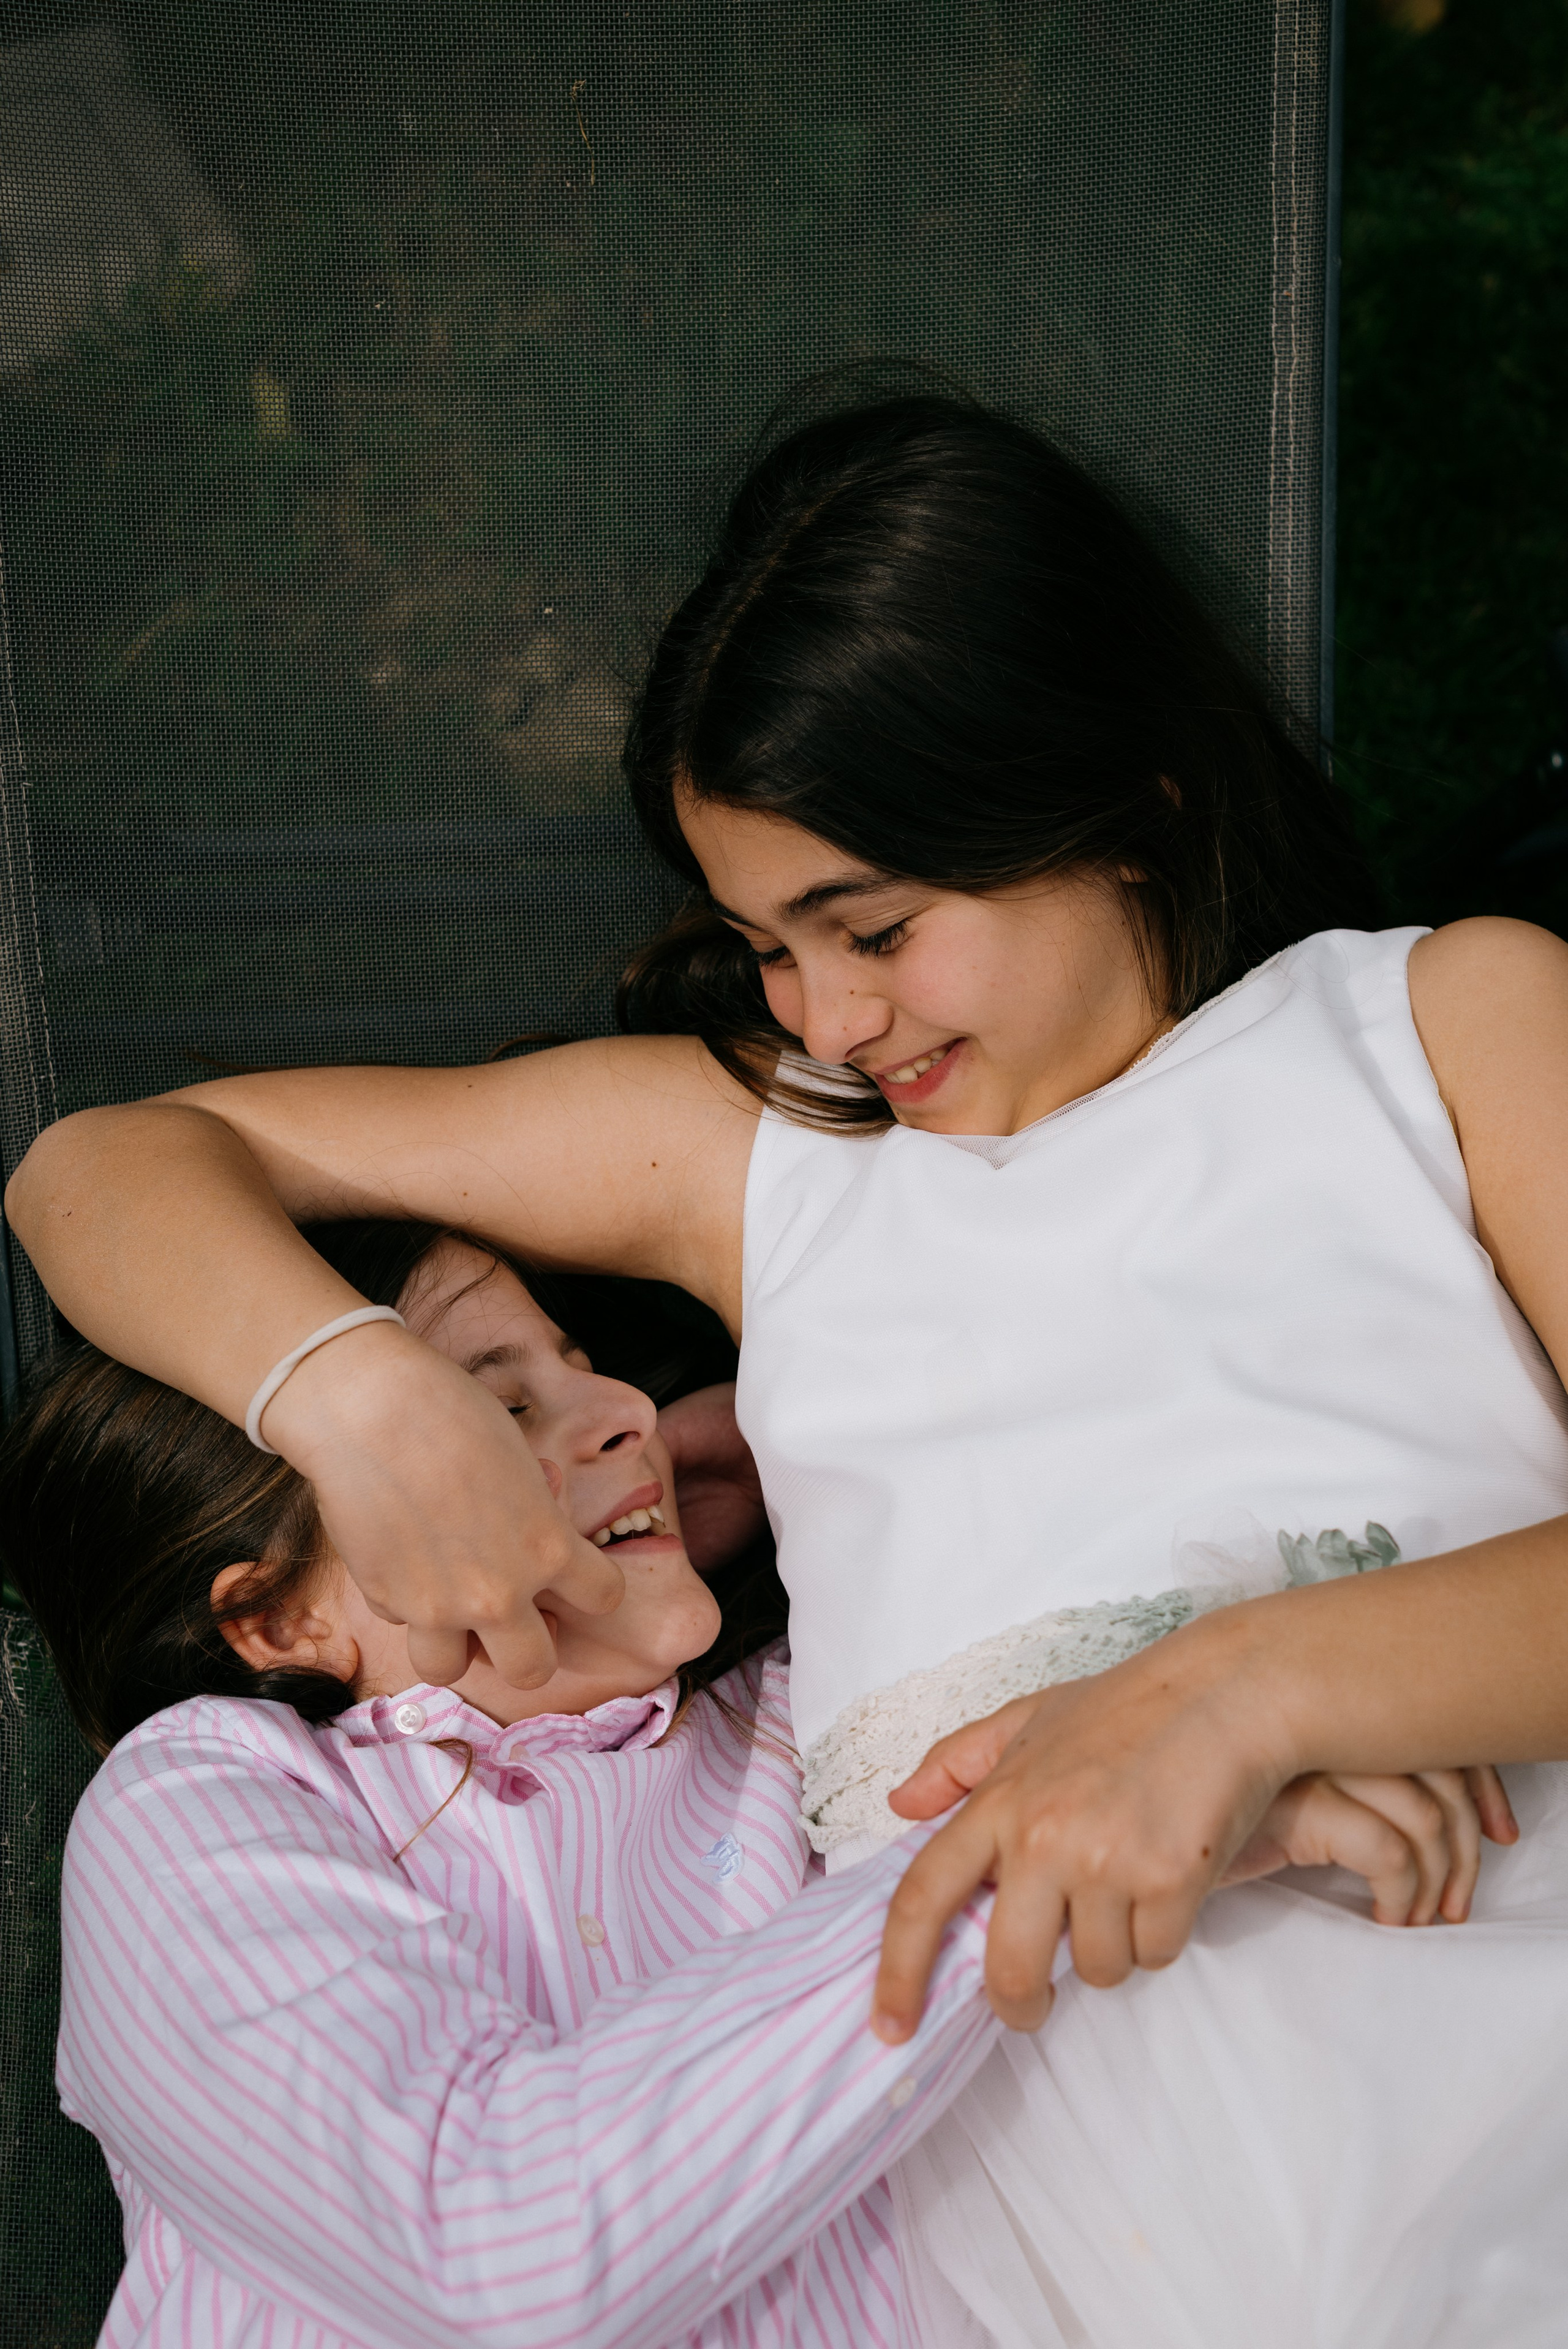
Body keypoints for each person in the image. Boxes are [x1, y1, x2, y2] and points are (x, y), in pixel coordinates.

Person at [12, 391, 1568, 2340]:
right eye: (763, 945)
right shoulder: (782, 1160)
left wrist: (1219, 1695)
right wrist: (369, 1396)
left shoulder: (1435, 1032)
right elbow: (104, 1166)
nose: (828, 1015)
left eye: (877, 928)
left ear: (1127, 799)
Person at [3, 1219, 1512, 2349]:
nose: (617, 1412)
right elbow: (495, 2252)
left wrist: (837, 1486)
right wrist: (1043, 1831)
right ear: (279, 1617)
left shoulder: (807, 1720)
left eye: (576, 1367)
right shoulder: (204, 1806)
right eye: (492, 1410)